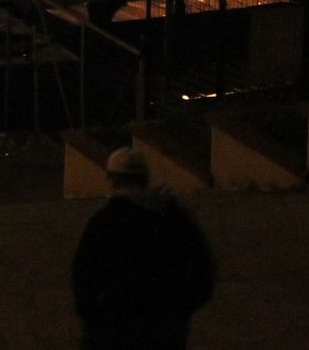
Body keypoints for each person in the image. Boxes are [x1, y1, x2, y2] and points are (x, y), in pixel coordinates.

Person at [71, 148, 215, 350]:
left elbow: (84, 274)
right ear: (145, 178)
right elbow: (202, 266)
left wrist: (94, 315)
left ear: (114, 179)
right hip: (165, 329)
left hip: (114, 330)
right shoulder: (174, 217)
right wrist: (182, 308)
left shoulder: (104, 222)